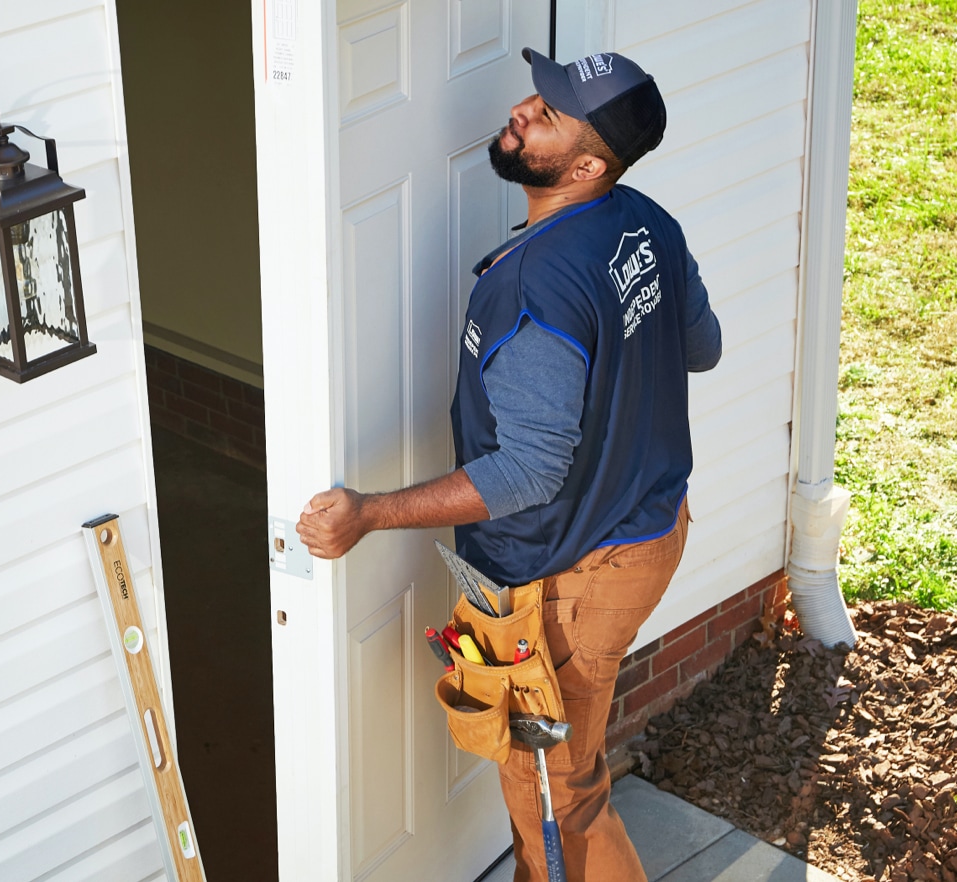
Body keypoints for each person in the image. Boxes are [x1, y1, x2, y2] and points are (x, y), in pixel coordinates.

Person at [295, 49, 723, 882]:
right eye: (541, 94)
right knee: (557, 779)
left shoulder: (535, 288)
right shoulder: (645, 223)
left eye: (551, 113)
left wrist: (368, 514)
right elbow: (700, 346)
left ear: (589, 163)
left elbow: (526, 473)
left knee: (555, 791)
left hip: (575, 578)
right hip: (649, 527)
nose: (525, 109)